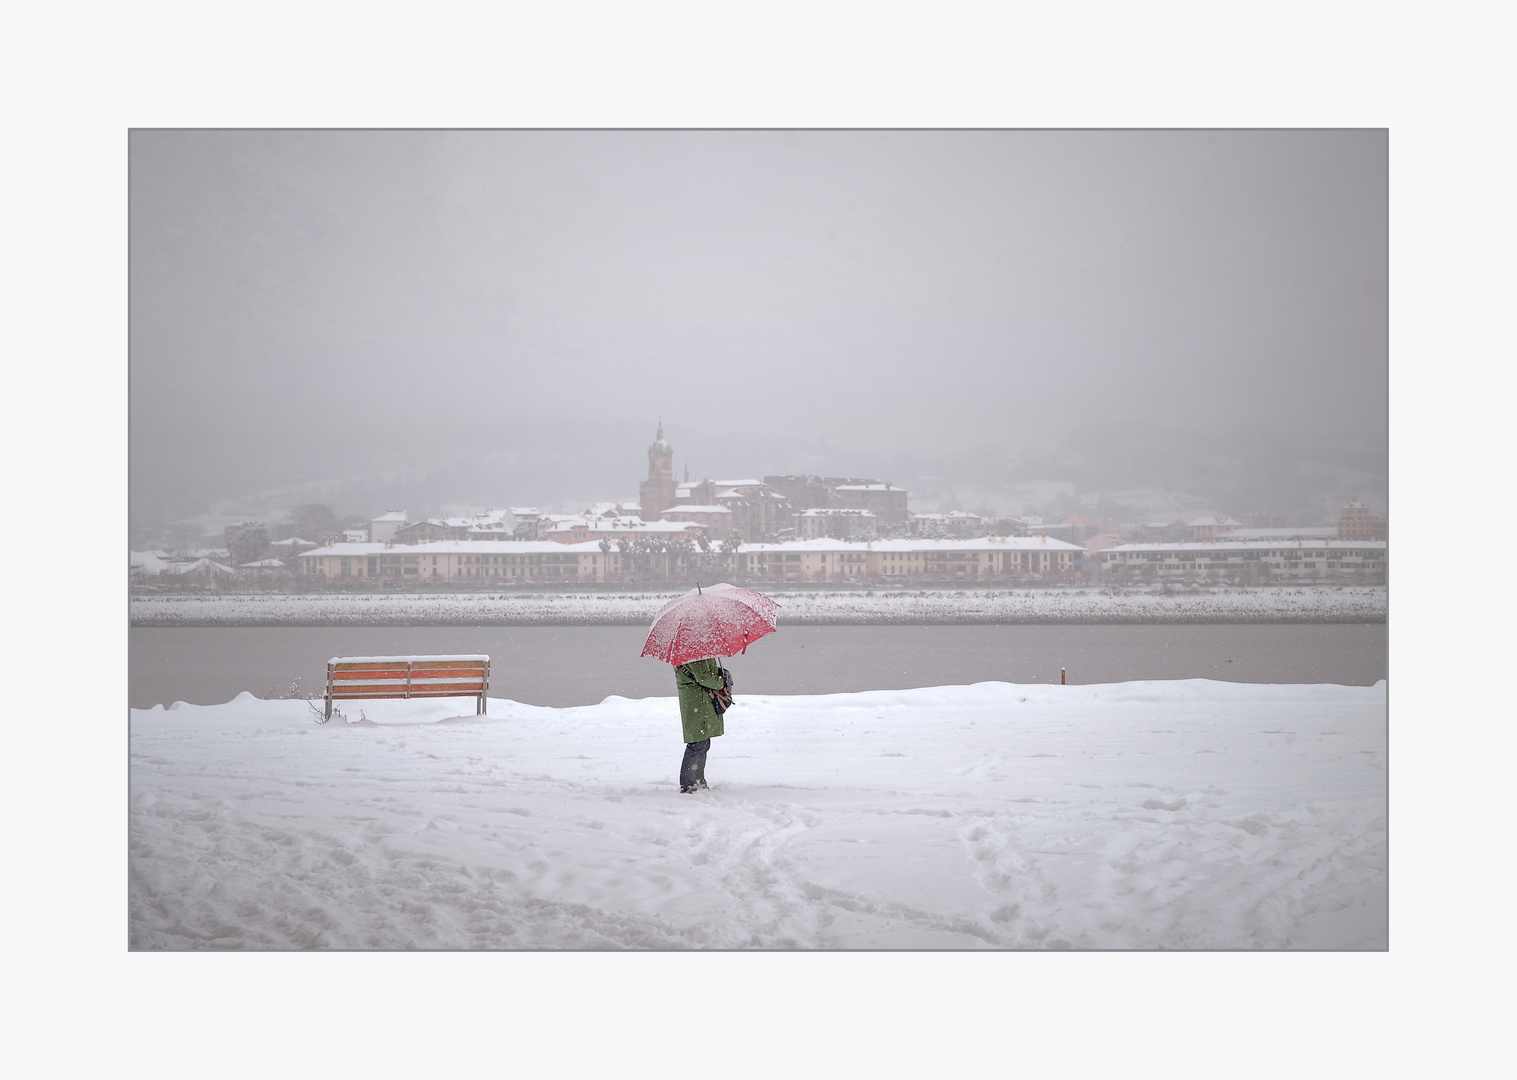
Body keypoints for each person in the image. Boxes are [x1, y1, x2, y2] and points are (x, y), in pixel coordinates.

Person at [674, 655, 727, 793]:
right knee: (697, 743)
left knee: (702, 742)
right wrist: (721, 682)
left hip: (698, 699)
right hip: (697, 700)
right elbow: (703, 677)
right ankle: (688, 784)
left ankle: (698, 780)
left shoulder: (693, 649)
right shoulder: (693, 651)